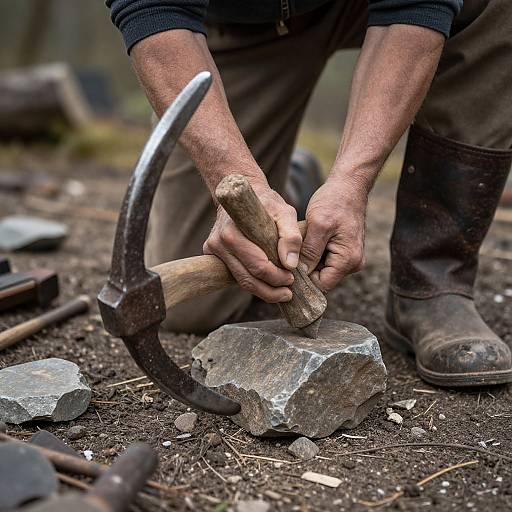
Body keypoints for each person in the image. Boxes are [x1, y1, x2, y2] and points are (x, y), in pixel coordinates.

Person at [107, 0, 512, 387]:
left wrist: (351, 182)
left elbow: (416, 6)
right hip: (235, 23)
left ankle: (432, 279)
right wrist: (234, 178)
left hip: (365, 9)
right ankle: (289, 189)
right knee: (195, 310)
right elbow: (153, 10)